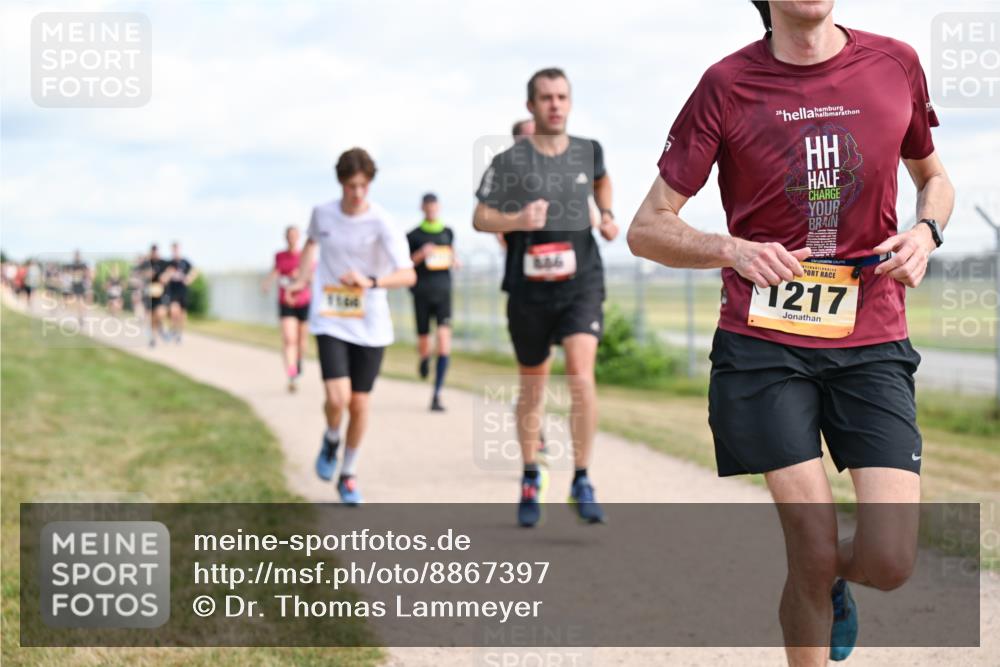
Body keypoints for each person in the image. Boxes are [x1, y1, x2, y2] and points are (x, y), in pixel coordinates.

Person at [627, 1, 953, 663]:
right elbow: (647, 226)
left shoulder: (895, 64)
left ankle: (832, 575)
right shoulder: (726, 85)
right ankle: (816, 576)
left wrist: (926, 231)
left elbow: (935, 178)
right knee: (809, 542)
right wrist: (734, 250)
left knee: (890, 560)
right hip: (765, 341)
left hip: (872, 336)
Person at [474, 67, 618, 527]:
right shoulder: (510, 162)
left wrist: (607, 213)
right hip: (529, 291)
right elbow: (480, 217)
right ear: (531, 107)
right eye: (546, 97)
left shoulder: (588, 151)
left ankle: (581, 476)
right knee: (532, 388)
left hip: (581, 284)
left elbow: (603, 180)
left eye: (561, 96)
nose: (555, 104)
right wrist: (518, 220)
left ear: (569, 103)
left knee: (580, 373)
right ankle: (531, 474)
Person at [286, 148, 415, 505]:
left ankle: (349, 473)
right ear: (341, 183)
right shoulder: (322, 214)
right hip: (330, 316)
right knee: (336, 397)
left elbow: (408, 273)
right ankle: (331, 437)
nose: (357, 193)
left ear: (370, 184)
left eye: (363, 186)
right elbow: (312, 244)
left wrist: (370, 282)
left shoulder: (382, 222)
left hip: (371, 321)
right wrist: (300, 278)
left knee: (359, 404)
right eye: (350, 186)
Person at [407, 192, 457, 411]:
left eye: (434, 207)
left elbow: (451, 254)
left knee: (444, 342)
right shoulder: (413, 235)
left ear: (439, 208)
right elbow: (406, 263)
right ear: (422, 208)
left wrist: (455, 260)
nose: (431, 210)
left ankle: (437, 394)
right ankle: (424, 358)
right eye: (428, 207)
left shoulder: (448, 232)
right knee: (425, 341)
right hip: (421, 293)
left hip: (444, 292)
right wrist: (420, 254)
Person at [261, 225, 313, 392]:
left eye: (294, 235)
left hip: (303, 301)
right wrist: (267, 283)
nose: (292, 238)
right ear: (285, 237)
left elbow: (313, 278)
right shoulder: (279, 256)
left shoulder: (306, 256)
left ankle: (298, 362)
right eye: (289, 235)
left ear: (298, 237)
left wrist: (300, 276)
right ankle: (291, 374)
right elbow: (276, 271)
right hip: (285, 302)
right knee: (289, 339)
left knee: (301, 341)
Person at [141, 245, 172, 347]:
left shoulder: (163, 262)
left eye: (156, 251)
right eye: (153, 252)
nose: (155, 253)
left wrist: (166, 276)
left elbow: (171, 269)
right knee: (152, 317)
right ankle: (153, 338)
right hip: (150, 293)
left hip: (161, 294)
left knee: (160, 313)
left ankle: (161, 328)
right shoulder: (147, 263)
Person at [167, 242, 198, 343]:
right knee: (173, 311)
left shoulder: (185, 261)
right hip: (173, 290)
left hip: (183, 291)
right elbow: (164, 275)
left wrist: (189, 278)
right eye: (173, 249)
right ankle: (174, 328)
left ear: (179, 250)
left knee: (182, 314)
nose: (175, 251)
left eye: (176, 249)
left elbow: (194, 271)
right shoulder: (170, 263)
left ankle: (179, 333)